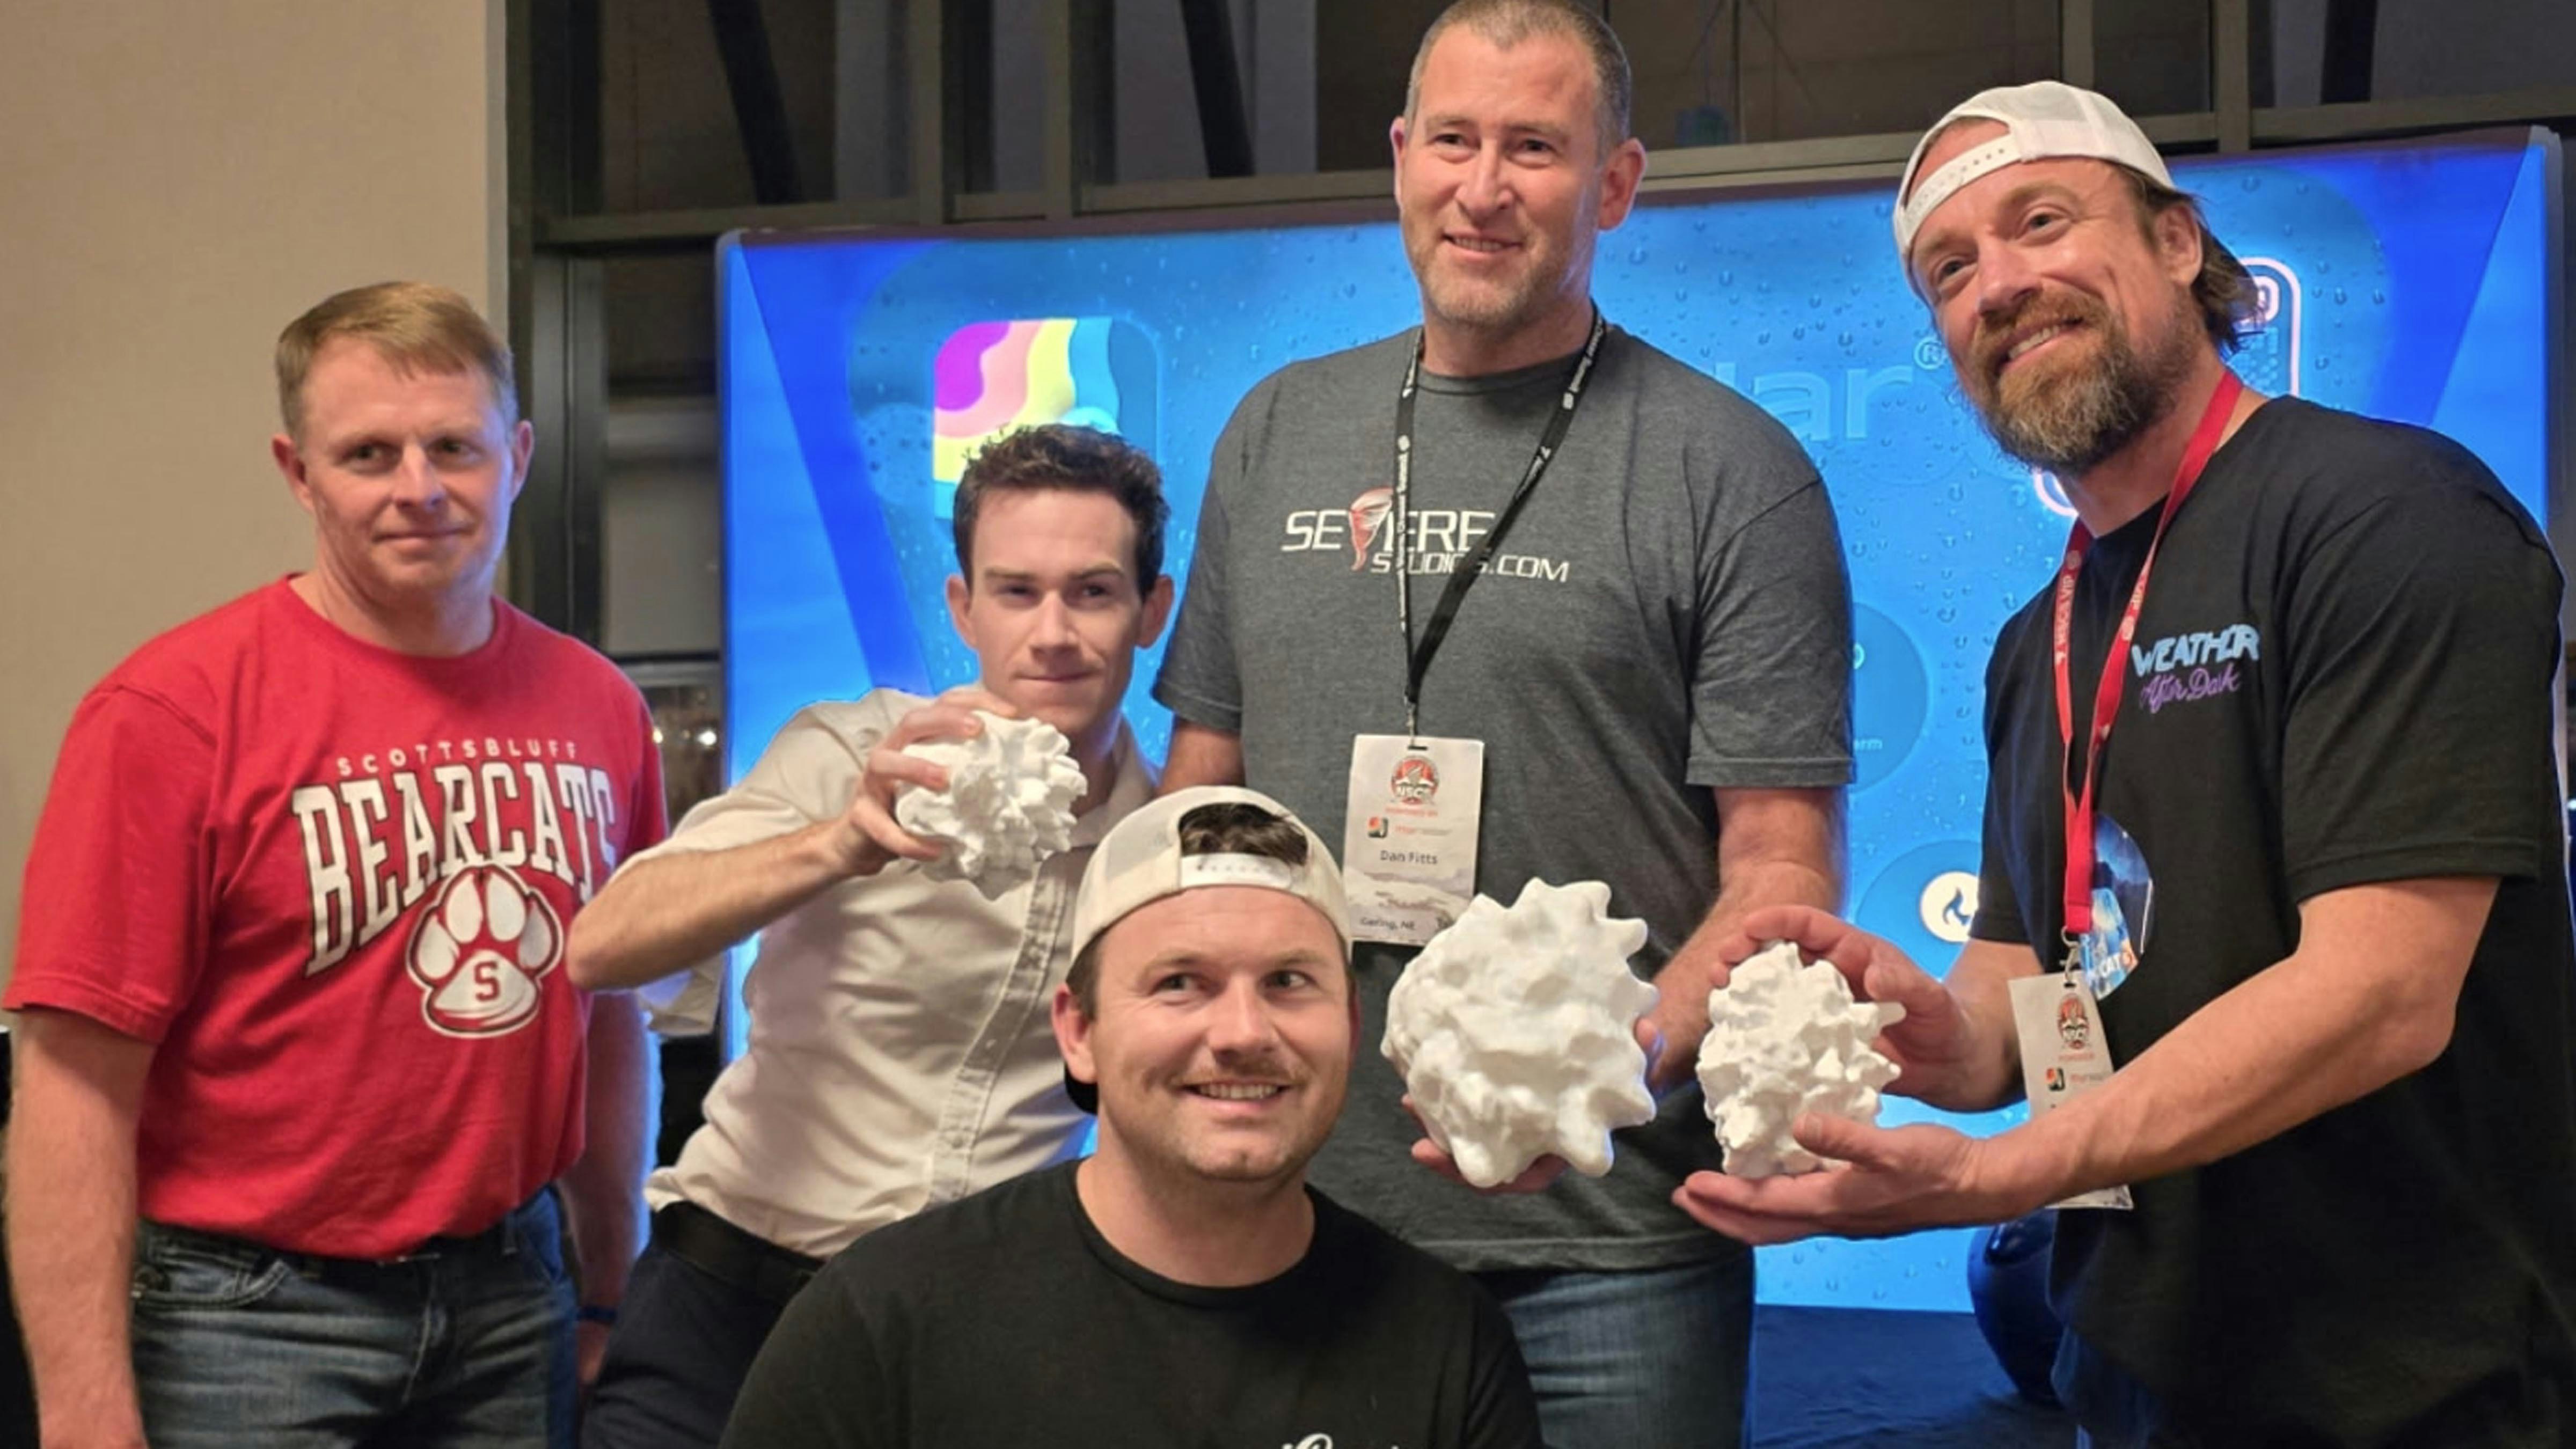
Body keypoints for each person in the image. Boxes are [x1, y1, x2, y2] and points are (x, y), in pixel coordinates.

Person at [1677, 80, 2576, 1446]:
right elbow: (2027, 987)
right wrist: (1926, 1037)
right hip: (2136, 1370)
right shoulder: (2035, 638)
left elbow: (2384, 993)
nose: (2001, 286)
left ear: (2177, 240)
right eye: (1951, 269)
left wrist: (1999, 1175)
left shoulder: (2385, 514)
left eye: (2042, 221)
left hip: (2408, 1385)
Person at [1151, 2, 1853, 1442]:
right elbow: (1200, 804)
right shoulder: (1274, 430)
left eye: (1535, 146)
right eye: (1455, 140)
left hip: (1613, 1241)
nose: (1484, 188)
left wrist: (1588, 1076)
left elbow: (1779, 871)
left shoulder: (1731, 468)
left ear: (1615, 184)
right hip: (1293, 1211)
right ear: (1400, 158)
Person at [4, 281, 665, 1449]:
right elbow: (72, 1085)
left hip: (515, 1293)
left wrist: (611, 1285)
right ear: (299, 472)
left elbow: (609, 1023)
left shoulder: (599, 709)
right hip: (243, 1319)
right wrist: (82, 1411)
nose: (420, 488)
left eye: (454, 446)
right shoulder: (171, 712)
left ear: (516, 456)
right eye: (368, 453)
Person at [567, 423, 1173, 1446]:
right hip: (732, 1298)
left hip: (969, 1327)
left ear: (1151, 611)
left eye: (1095, 591)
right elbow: (602, 947)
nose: (1054, 631)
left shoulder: (1156, 842)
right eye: (1018, 591)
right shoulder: (849, 750)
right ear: (963, 606)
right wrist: (843, 840)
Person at [721, 787, 1542, 1448]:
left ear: (1354, 1029)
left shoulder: (1443, 1342)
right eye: (1180, 982)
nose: (1243, 1034)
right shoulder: (887, 1317)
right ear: (1078, 1031)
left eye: (1290, 982)